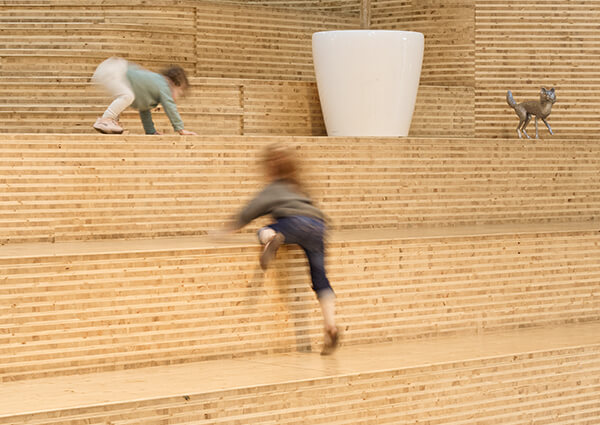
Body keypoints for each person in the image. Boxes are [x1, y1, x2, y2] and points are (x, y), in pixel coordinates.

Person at [220, 143, 340, 355]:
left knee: (264, 230)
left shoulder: (274, 188)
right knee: (320, 278)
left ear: (270, 168)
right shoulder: (299, 187)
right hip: (318, 227)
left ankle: (272, 238)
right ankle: (330, 325)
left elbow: (250, 211)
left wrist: (227, 229)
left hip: (292, 224)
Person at [91, 57, 197, 135]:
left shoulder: (151, 92)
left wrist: (151, 132)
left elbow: (144, 110)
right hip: (114, 69)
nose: (177, 97)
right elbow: (170, 106)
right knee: (127, 96)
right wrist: (180, 129)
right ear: (173, 84)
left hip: (112, 70)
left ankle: (111, 121)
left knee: (126, 96)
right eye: (179, 92)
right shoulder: (163, 84)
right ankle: (105, 120)